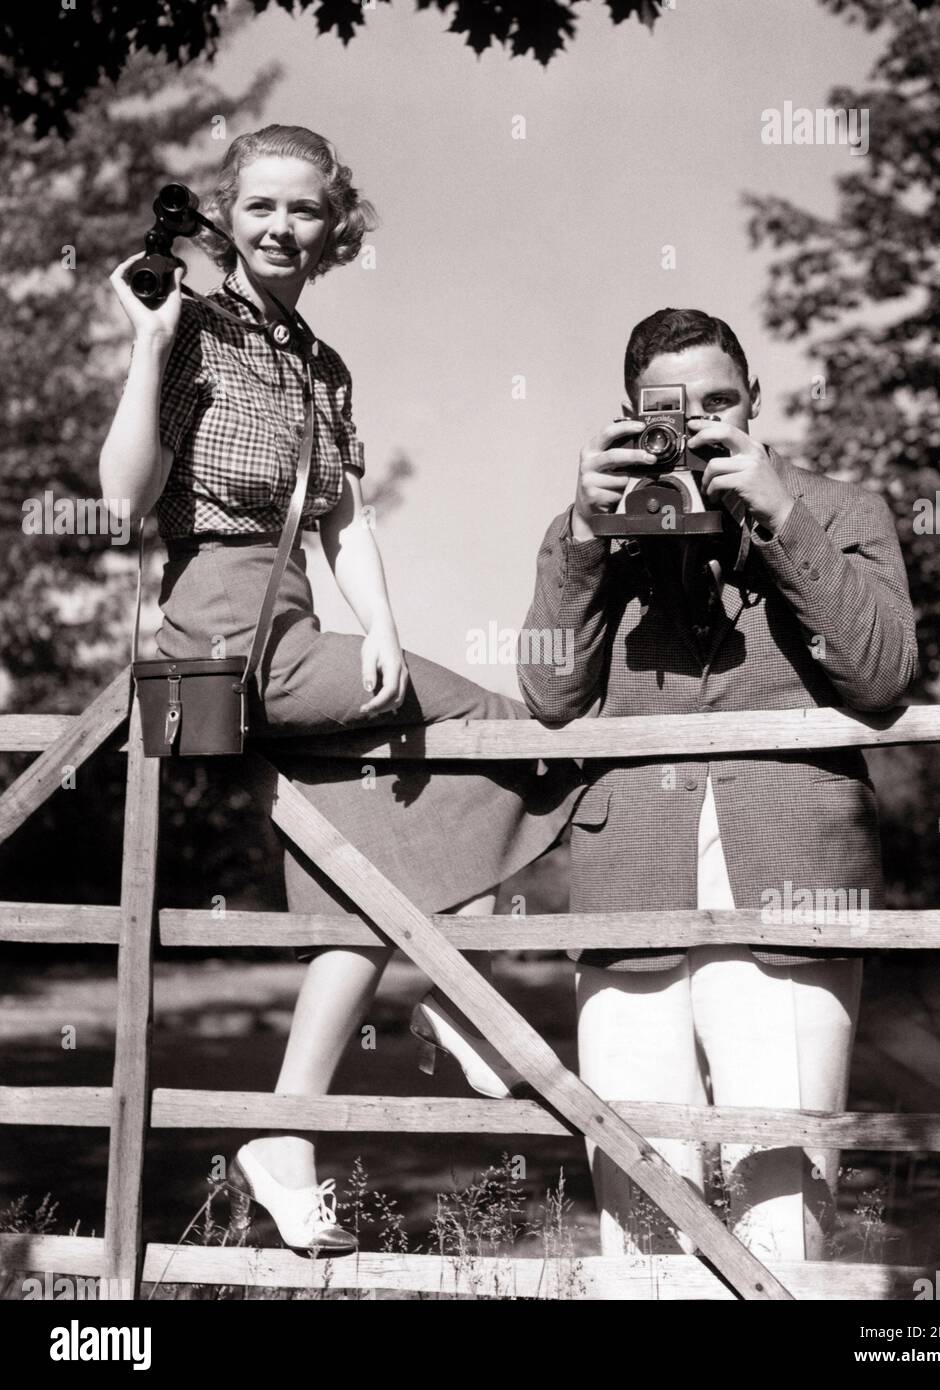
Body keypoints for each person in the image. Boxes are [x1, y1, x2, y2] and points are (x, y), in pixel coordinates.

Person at [100, 124, 581, 1254]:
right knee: (514, 734)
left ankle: (286, 1129)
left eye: (303, 210)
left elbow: (346, 516)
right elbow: (125, 501)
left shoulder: (319, 363)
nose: (280, 227)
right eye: (259, 206)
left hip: (305, 619)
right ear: (227, 215)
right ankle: (456, 996)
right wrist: (145, 345)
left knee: (365, 888)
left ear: (333, 227)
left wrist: (384, 628)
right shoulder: (193, 333)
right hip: (223, 627)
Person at [517, 308, 918, 1260]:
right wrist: (585, 532)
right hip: (631, 886)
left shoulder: (841, 507)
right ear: (629, 416)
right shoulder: (595, 527)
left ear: (755, 401)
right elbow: (546, 690)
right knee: (638, 1202)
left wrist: (781, 517)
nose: (695, 427)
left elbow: (880, 673)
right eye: (669, 411)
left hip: (794, 872)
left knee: (781, 1201)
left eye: (718, 404)